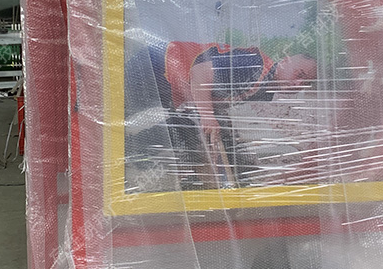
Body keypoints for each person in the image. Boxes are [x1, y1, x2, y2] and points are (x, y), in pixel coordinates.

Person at [126, 42, 317, 189]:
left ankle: (133, 148)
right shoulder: (255, 66)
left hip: (168, 77)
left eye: (306, 83)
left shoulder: (265, 88)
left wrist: (213, 119)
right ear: (285, 61)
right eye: (299, 74)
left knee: (191, 127)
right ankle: (128, 154)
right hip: (156, 65)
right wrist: (207, 115)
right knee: (120, 109)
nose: (298, 84)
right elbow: (200, 72)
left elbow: (221, 95)